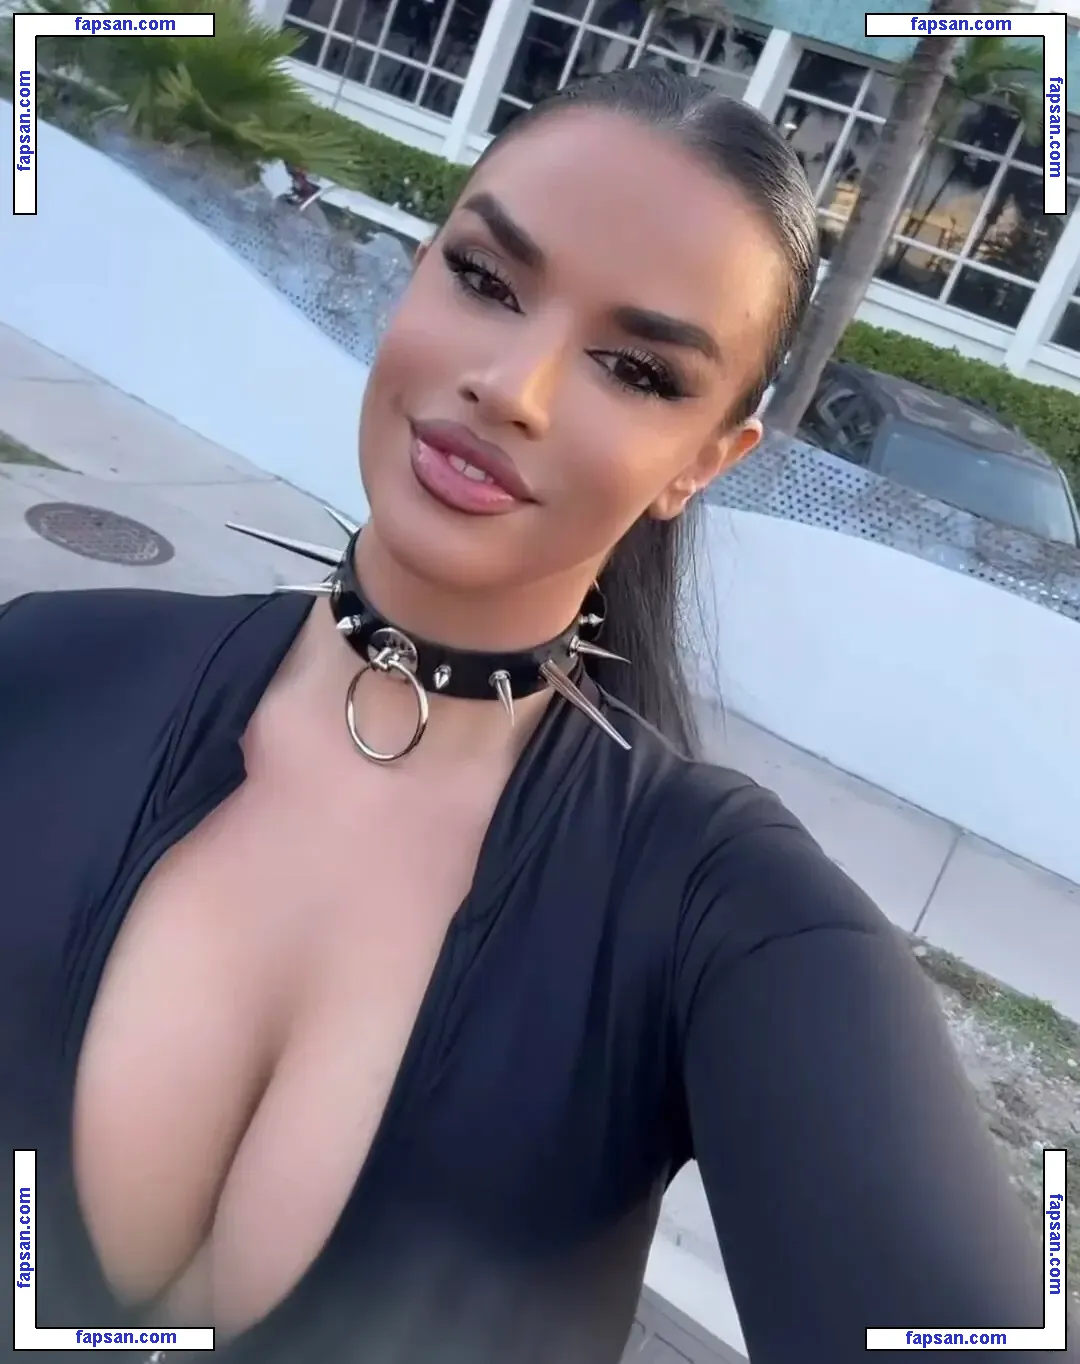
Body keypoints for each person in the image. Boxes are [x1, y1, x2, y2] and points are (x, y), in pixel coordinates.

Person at [1, 68, 1069, 1364]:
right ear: (417, 275)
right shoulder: (50, 666)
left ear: (704, 461)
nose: (514, 384)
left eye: (634, 367)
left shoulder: (724, 925)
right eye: (485, 279)